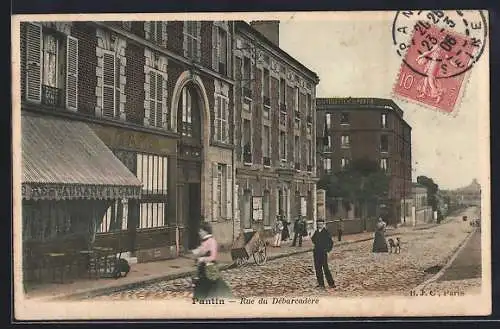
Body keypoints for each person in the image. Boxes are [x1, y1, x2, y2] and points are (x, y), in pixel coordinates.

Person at [191, 222, 232, 299]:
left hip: (210, 267)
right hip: (203, 268)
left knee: (212, 283)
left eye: (200, 231)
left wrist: (202, 258)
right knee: (202, 283)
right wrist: (196, 251)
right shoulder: (205, 240)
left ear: (205, 231)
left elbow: (213, 257)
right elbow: (202, 250)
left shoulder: (212, 241)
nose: (199, 233)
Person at [311, 219, 336, 289]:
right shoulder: (316, 232)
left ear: (323, 224)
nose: (319, 225)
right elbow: (313, 239)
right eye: (318, 224)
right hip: (316, 252)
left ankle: (331, 283)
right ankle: (321, 284)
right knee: (318, 268)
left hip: (323, 253)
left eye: (321, 224)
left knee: (325, 268)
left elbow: (331, 242)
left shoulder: (326, 232)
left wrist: (327, 250)